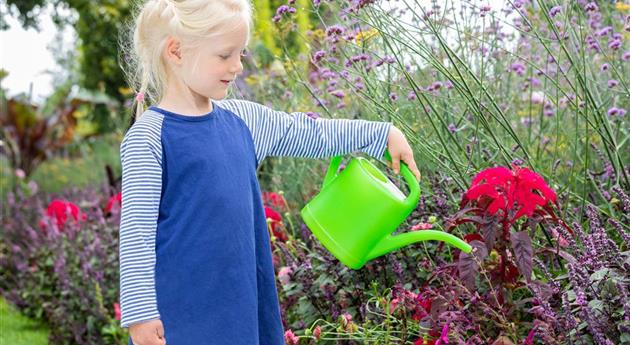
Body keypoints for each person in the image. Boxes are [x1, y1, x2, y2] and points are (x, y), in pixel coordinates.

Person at [118, 0, 421, 344]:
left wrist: (380, 134)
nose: (236, 67)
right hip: (181, 314)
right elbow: (136, 235)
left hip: (243, 306)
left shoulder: (243, 120)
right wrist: (140, 316)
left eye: (241, 54)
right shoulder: (149, 137)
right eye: (224, 55)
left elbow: (308, 133)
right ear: (176, 51)